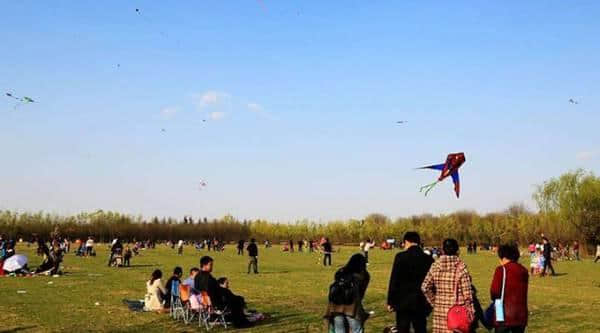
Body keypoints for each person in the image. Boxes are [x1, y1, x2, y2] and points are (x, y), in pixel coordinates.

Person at [422, 238, 475, 333]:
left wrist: (434, 302)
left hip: (440, 311)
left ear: (442, 250)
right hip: (457, 313)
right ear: (457, 250)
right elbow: (467, 294)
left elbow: (425, 287)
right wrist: (471, 312)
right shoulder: (461, 267)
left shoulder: (435, 266)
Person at [387, 232, 434, 333]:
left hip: (402, 301)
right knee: (420, 328)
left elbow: (394, 280)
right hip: (421, 300)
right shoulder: (428, 259)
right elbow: (432, 283)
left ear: (407, 241)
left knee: (403, 329)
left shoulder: (400, 257)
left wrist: (391, 301)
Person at [195, 256, 250, 327]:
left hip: (205, 302)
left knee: (236, 299)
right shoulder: (207, 278)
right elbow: (214, 290)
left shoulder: (198, 276)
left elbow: (200, 289)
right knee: (237, 300)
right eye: (210, 265)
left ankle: (238, 319)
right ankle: (240, 322)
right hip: (216, 303)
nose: (212, 267)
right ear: (204, 265)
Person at [324, 253, 370, 333]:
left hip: (335, 305)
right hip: (351, 306)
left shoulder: (340, 272)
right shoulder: (363, 276)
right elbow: (361, 293)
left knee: (339, 330)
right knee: (357, 330)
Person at [490, 244, 529, 333]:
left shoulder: (501, 270)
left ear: (503, 257)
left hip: (504, 315)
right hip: (521, 314)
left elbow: (495, 291)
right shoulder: (524, 270)